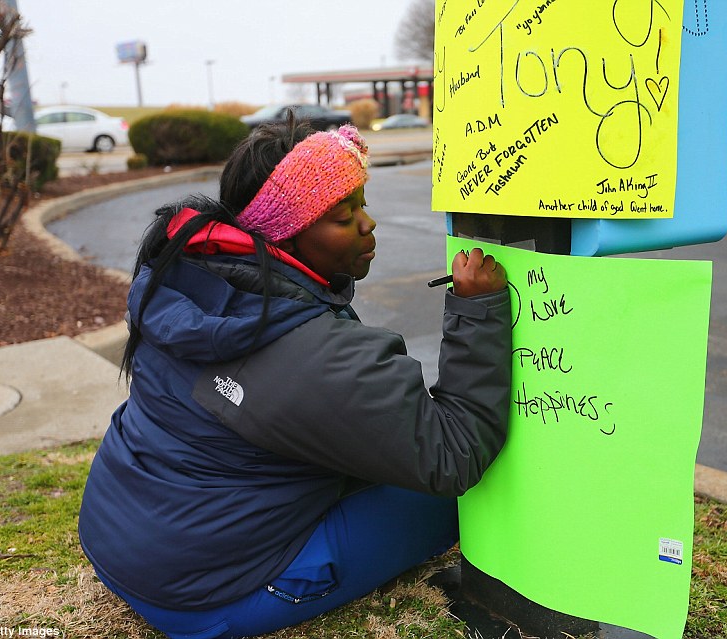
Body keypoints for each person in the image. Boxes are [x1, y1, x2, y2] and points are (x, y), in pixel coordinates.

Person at [78, 120, 511, 639]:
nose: (368, 224)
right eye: (342, 215)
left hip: (120, 544)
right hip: (201, 598)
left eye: (362, 204)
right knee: (456, 501)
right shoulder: (315, 354)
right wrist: (476, 310)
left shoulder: (185, 281)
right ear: (284, 232)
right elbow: (453, 452)